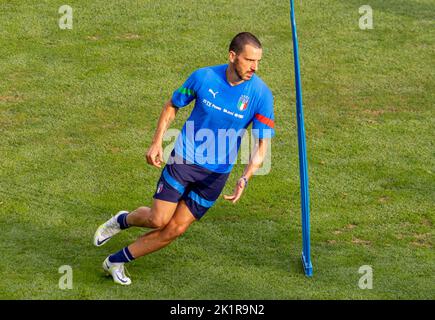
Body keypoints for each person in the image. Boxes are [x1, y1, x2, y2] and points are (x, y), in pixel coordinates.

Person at [93, 32, 275, 285]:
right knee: (158, 219)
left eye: (258, 62)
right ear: (232, 56)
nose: (254, 67)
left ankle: (116, 261)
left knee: (174, 230)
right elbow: (172, 105)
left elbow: (262, 143)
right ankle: (122, 220)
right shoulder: (203, 77)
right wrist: (157, 142)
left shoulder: (261, 95)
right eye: (249, 60)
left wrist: (245, 177)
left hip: (216, 175)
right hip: (184, 160)